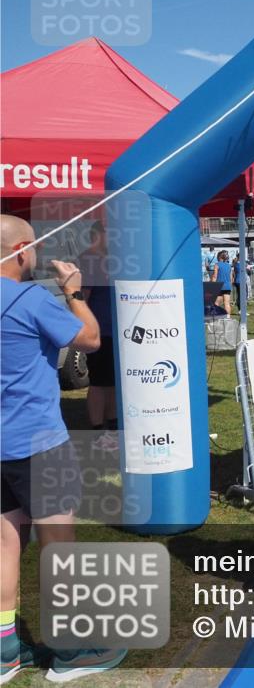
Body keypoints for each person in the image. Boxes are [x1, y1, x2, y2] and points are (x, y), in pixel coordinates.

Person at [1, 215, 127, 682]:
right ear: (22, 250)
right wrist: (73, 291)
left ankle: (4, 650)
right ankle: (73, 651)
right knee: (59, 547)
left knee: (4, 545)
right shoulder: (31, 297)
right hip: (38, 443)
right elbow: (91, 339)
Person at [76, 221, 118, 452]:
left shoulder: (108, 260)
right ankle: (98, 433)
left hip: (114, 331)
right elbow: (82, 296)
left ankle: (112, 430)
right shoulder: (90, 260)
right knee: (99, 383)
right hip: (99, 331)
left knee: (111, 383)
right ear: (101, 234)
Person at [212, 250, 233, 316]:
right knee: (227, 303)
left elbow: (215, 276)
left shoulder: (217, 265)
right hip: (227, 286)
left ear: (219, 257)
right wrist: (230, 285)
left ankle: (215, 317)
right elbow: (231, 278)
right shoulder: (229, 266)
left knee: (216, 303)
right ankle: (228, 317)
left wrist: (212, 285)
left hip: (219, 286)